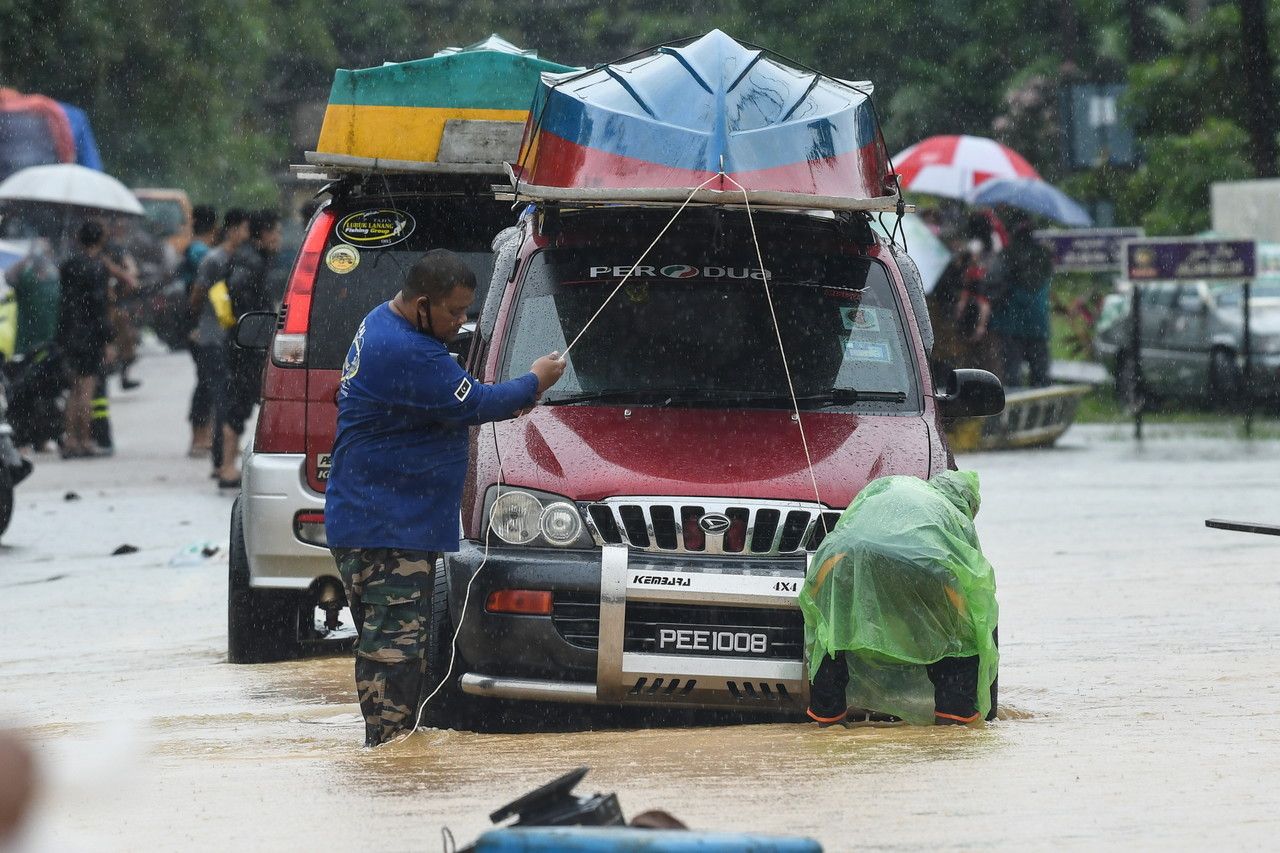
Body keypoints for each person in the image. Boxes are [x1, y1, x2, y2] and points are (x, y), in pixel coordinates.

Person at [324, 249, 566, 746]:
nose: (460, 323)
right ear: (421, 305)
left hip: (373, 518)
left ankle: (384, 749)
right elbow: (477, 402)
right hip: (385, 528)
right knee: (395, 652)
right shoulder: (408, 351)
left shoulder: (383, 323)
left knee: (385, 645)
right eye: (454, 312)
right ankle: (389, 756)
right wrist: (536, 380)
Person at [800, 471, 999, 727]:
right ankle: (954, 723)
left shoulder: (888, 485)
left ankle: (828, 721)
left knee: (831, 633)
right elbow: (972, 580)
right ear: (967, 504)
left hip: (847, 557)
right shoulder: (956, 515)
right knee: (960, 640)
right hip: (924, 564)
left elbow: (847, 524)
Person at [216, 209, 281, 488]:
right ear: (264, 233)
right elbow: (241, 297)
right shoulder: (248, 262)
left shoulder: (255, 259)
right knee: (239, 404)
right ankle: (226, 466)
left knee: (244, 402)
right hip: (245, 347)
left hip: (250, 345)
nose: (279, 238)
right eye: (276, 231)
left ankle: (231, 463)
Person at [190, 208, 248, 474]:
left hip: (232, 338)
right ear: (234, 229)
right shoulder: (214, 260)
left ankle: (221, 454)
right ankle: (218, 458)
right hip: (213, 337)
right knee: (219, 396)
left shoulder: (245, 260)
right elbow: (197, 295)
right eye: (245, 229)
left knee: (226, 396)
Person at [56, 220, 113, 458]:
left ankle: (70, 440)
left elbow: (65, 302)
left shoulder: (68, 265)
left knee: (73, 389)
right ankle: (85, 440)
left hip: (69, 333)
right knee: (87, 389)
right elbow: (99, 306)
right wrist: (107, 338)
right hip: (89, 334)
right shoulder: (98, 268)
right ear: (100, 240)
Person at [989, 212, 1054, 387]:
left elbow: (993, 283)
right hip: (1038, 321)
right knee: (1040, 372)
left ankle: (1014, 408)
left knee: (1012, 372)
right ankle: (1044, 410)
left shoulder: (1007, 255)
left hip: (1013, 321)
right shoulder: (1044, 254)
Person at [182, 205, 221, 456]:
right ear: (215, 228)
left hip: (200, 324)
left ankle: (203, 435)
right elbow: (198, 293)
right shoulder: (203, 254)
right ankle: (199, 436)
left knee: (206, 381)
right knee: (206, 382)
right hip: (201, 325)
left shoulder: (196, 250)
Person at [5, 237, 60, 355]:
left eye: (45, 253)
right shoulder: (27, 277)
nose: (41, 257)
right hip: (26, 340)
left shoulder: (55, 279)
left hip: (49, 340)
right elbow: (9, 277)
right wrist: (28, 258)